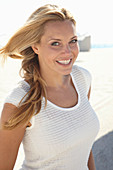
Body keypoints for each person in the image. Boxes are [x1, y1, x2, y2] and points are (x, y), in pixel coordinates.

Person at [0, 4, 99, 170]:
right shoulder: (20, 101)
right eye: (55, 44)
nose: (68, 52)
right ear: (35, 46)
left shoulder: (83, 78)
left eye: (72, 41)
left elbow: (83, 144)